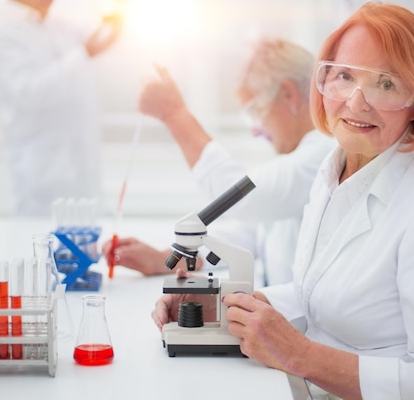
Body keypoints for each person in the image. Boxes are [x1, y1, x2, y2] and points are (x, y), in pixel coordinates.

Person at [152, 2, 414, 399]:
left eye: (386, 84)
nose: (357, 103)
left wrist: (299, 355)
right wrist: (219, 307)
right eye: (343, 76)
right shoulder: (334, 169)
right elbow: (317, 298)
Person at [103, 38, 335, 283]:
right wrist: (165, 258)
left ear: (288, 94)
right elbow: (248, 234)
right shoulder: (299, 162)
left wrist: (173, 113)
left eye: (255, 111)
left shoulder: (324, 153)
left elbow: (242, 200)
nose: (256, 130)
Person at [0, 0, 126, 215]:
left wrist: (120, 4)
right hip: (42, 179)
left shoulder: (58, 25)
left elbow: (101, 38)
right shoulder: (0, 32)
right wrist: (83, 54)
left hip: (82, 173)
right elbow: (30, 93)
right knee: (42, 247)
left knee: (87, 245)